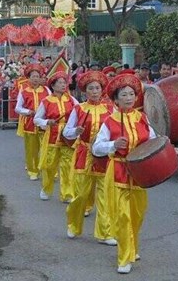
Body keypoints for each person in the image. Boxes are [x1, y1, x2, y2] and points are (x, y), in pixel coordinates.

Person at [92, 73, 157, 274]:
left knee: (137, 214)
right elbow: (96, 148)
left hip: (139, 174)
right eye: (124, 95)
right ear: (116, 99)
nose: (129, 98)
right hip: (118, 171)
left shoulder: (142, 118)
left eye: (131, 94)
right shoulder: (109, 122)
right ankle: (124, 257)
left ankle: (133, 247)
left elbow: (152, 140)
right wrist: (113, 144)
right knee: (122, 216)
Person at [63, 70, 114, 243]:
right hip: (83, 154)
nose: (94, 91)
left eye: (97, 88)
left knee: (104, 195)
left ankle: (105, 232)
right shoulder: (79, 109)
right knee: (80, 195)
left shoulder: (110, 109)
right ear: (85, 91)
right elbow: (66, 132)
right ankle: (73, 226)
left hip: (104, 156)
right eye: (91, 88)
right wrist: (75, 131)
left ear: (102, 90)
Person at [34, 69, 79, 202]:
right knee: (49, 165)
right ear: (53, 85)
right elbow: (36, 119)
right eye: (59, 83)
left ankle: (67, 193)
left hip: (68, 137)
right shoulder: (46, 101)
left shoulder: (71, 100)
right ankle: (46, 188)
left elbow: (80, 112)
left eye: (64, 82)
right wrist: (47, 121)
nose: (63, 85)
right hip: (52, 136)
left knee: (67, 165)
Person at [15, 64, 48, 181]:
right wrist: (28, 111)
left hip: (44, 124)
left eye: (37, 76)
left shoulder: (46, 90)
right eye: (33, 76)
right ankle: (33, 171)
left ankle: (48, 171)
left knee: (47, 148)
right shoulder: (24, 91)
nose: (35, 78)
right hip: (30, 123)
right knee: (31, 149)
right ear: (29, 78)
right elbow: (17, 108)